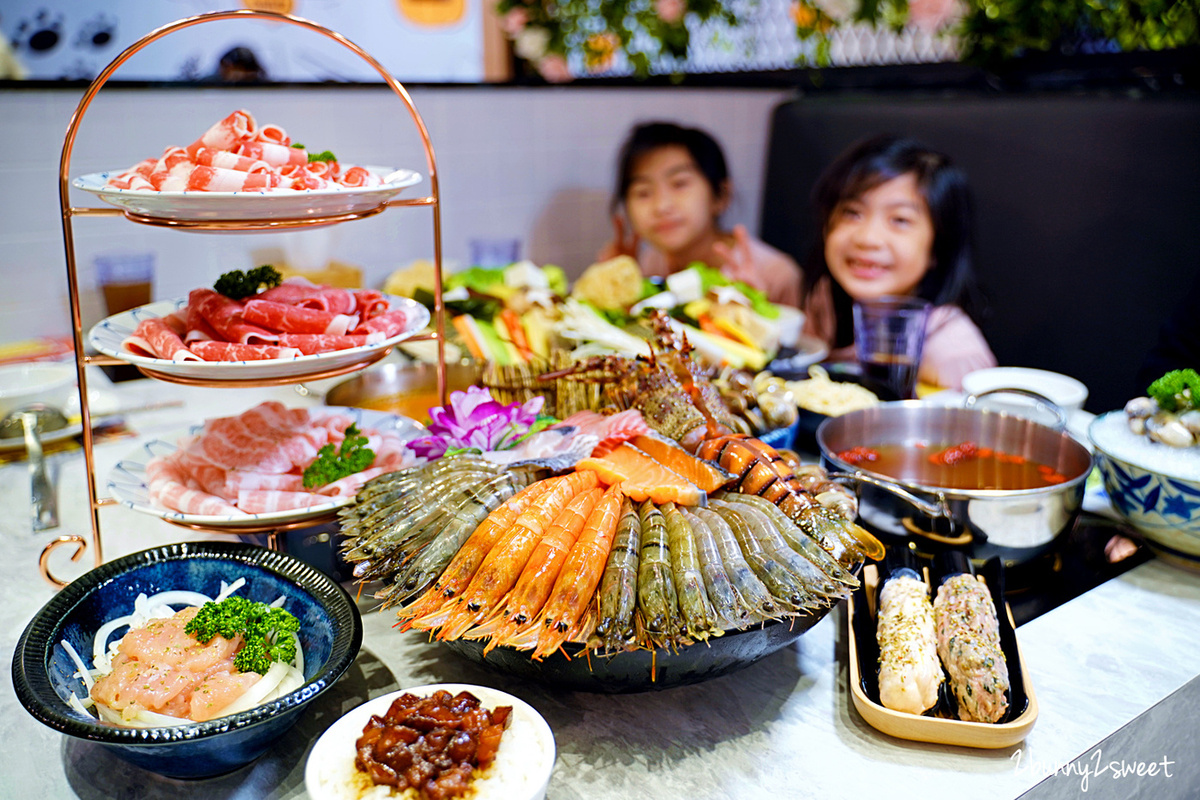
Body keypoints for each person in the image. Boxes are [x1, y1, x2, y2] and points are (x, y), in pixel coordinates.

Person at [800, 134, 996, 390]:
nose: (867, 238)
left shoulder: (952, 350)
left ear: (938, 246)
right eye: (852, 213)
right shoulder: (824, 302)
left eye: (900, 220)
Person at [600, 121, 802, 307]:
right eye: (643, 193)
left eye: (679, 184)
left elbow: (810, 345)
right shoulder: (652, 262)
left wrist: (759, 310)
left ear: (720, 196)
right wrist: (621, 290)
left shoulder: (776, 275)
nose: (661, 206)